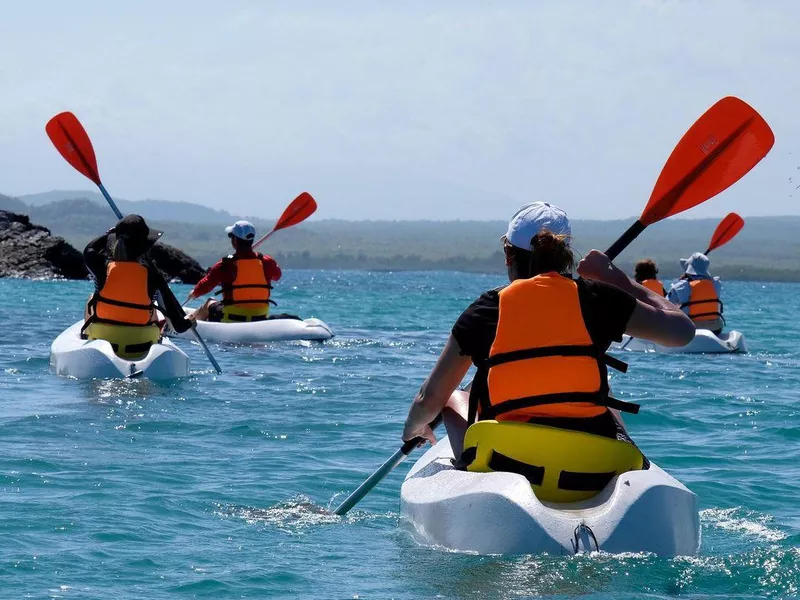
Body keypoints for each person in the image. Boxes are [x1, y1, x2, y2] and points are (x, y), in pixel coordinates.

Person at [402, 202, 695, 457]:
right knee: (605, 400)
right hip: (592, 453)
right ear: (564, 253)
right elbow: (681, 332)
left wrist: (413, 429)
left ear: (508, 254)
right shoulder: (598, 297)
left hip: (507, 457)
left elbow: (428, 401)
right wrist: (614, 278)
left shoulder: (486, 309)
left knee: (452, 396)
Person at [83, 215, 193, 358]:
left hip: (102, 337)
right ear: (145, 247)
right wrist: (190, 321)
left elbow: (89, 250)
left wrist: (108, 234)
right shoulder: (153, 275)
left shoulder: (101, 267)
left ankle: (85, 339)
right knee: (152, 307)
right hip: (141, 341)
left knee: (92, 298)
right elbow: (178, 326)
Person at [187, 220, 282, 323]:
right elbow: (277, 276)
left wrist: (194, 293)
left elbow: (207, 284)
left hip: (230, 318)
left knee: (209, 302)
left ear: (235, 240)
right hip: (260, 317)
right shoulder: (266, 261)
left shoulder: (226, 264)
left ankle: (185, 326)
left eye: (231, 236)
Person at [667, 252, 724, 335]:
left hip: (691, 328)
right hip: (715, 328)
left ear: (689, 269)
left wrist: (681, 282)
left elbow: (667, 304)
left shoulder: (682, 286)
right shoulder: (716, 284)